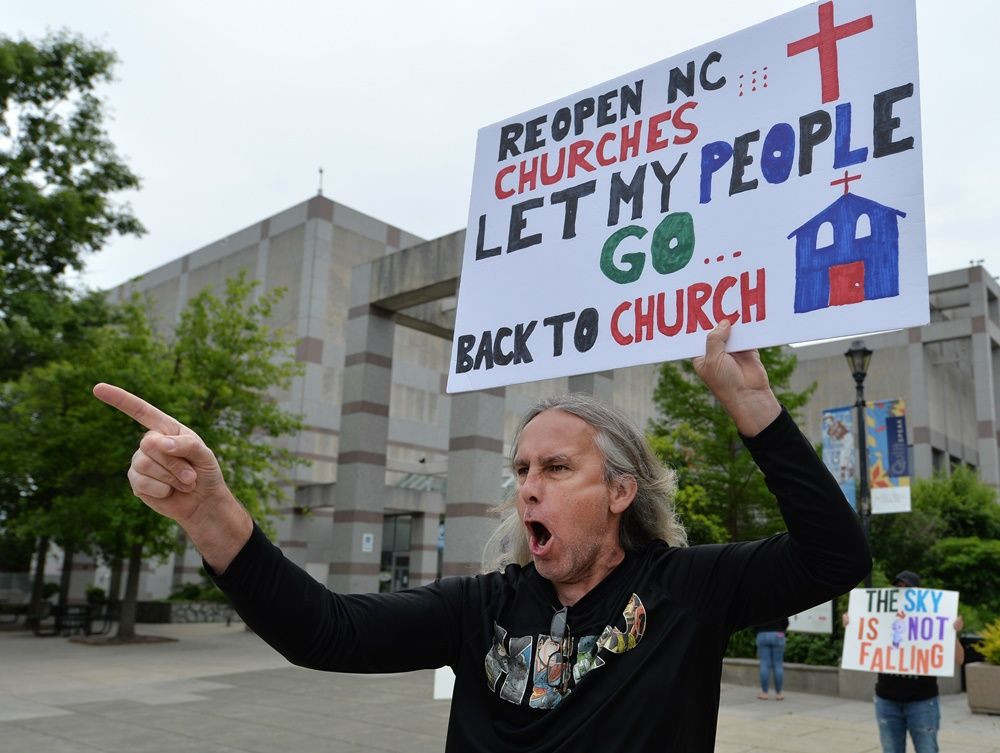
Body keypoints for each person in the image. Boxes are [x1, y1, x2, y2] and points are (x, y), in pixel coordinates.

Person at [93, 320, 870, 752]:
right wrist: (212, 514)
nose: (529, 482)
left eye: (559, 466)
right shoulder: (479, 607)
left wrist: (756, 411)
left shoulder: (688, 588)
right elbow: (324, 630)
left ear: (620, 492)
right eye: (522, 466)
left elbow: (835, 555)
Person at [845, 570, 965, 753]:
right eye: (899, 587)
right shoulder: (884, 620)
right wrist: (853, 624)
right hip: (886, 701)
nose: (903, 591)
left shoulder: (932, 621)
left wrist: (952, 633)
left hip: (922, 702)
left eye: (908, 588)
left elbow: (959, 660)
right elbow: (863, 643)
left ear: (920, 592)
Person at [752, 616, 789, 700]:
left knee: (764, 664)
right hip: (778, 634)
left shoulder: (758, 605)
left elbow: (753, 623)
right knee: (778, 665)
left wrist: (757, 632)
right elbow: (785, 623)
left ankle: (764, 693)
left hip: (762, 634)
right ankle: (779, 694)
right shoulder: (781, 604)